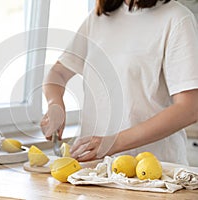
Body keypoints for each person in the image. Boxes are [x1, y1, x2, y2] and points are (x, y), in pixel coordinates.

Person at [40, 0, 198, 165]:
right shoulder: (98, 18)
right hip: (93, 169)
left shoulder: (177, 18)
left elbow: (189, 108)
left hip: (153, 172)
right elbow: (58, 73)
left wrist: (112, 143)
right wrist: (55, 104)